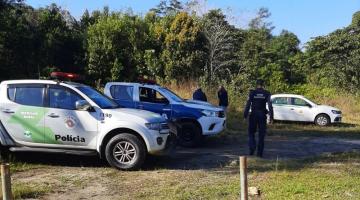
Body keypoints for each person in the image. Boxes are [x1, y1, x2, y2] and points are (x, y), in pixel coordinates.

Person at [243, 79, 273, 157]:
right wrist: (271, 117)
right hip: (262, 115)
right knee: (261, 135)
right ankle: (259, 153)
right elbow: (270, 105)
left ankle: (252, 147)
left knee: (251, 132)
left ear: (256, 84)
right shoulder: (266, 93)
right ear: (263, 85)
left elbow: (248, 104)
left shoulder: (252, 93)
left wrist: (245, 115)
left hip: (253, 115)